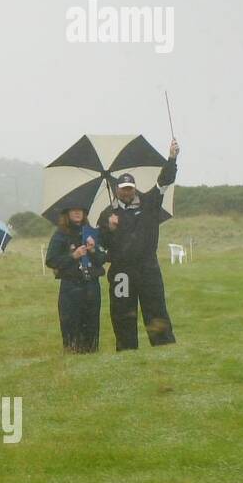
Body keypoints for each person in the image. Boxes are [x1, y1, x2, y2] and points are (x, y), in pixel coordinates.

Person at [96, 140, 180, 350]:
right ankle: (126, 349)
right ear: (117, 189)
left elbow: (164, 181)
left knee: (156, 308)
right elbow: (102, 245)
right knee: (122, 312)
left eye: (130, 188)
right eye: (123, 188)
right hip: (121, 273)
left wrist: (172, 158)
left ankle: (164, 346)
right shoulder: (107, 214)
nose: (127, 192)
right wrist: (110, 228)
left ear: (134, 188)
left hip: (148, 268)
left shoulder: (150, 203)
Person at [44, 206, 105, 352]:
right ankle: (72, 350)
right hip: (71, 285)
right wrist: (73, 256)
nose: (78, 213)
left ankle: (91, 350)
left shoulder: (91, 232)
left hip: (91, 284)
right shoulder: (61, 234)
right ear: (67, 213)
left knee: (91, 320)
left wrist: (93, 250)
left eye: (81, 210)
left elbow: (102, 259)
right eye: (73, 210)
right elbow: (51, 260)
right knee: (71, 321)